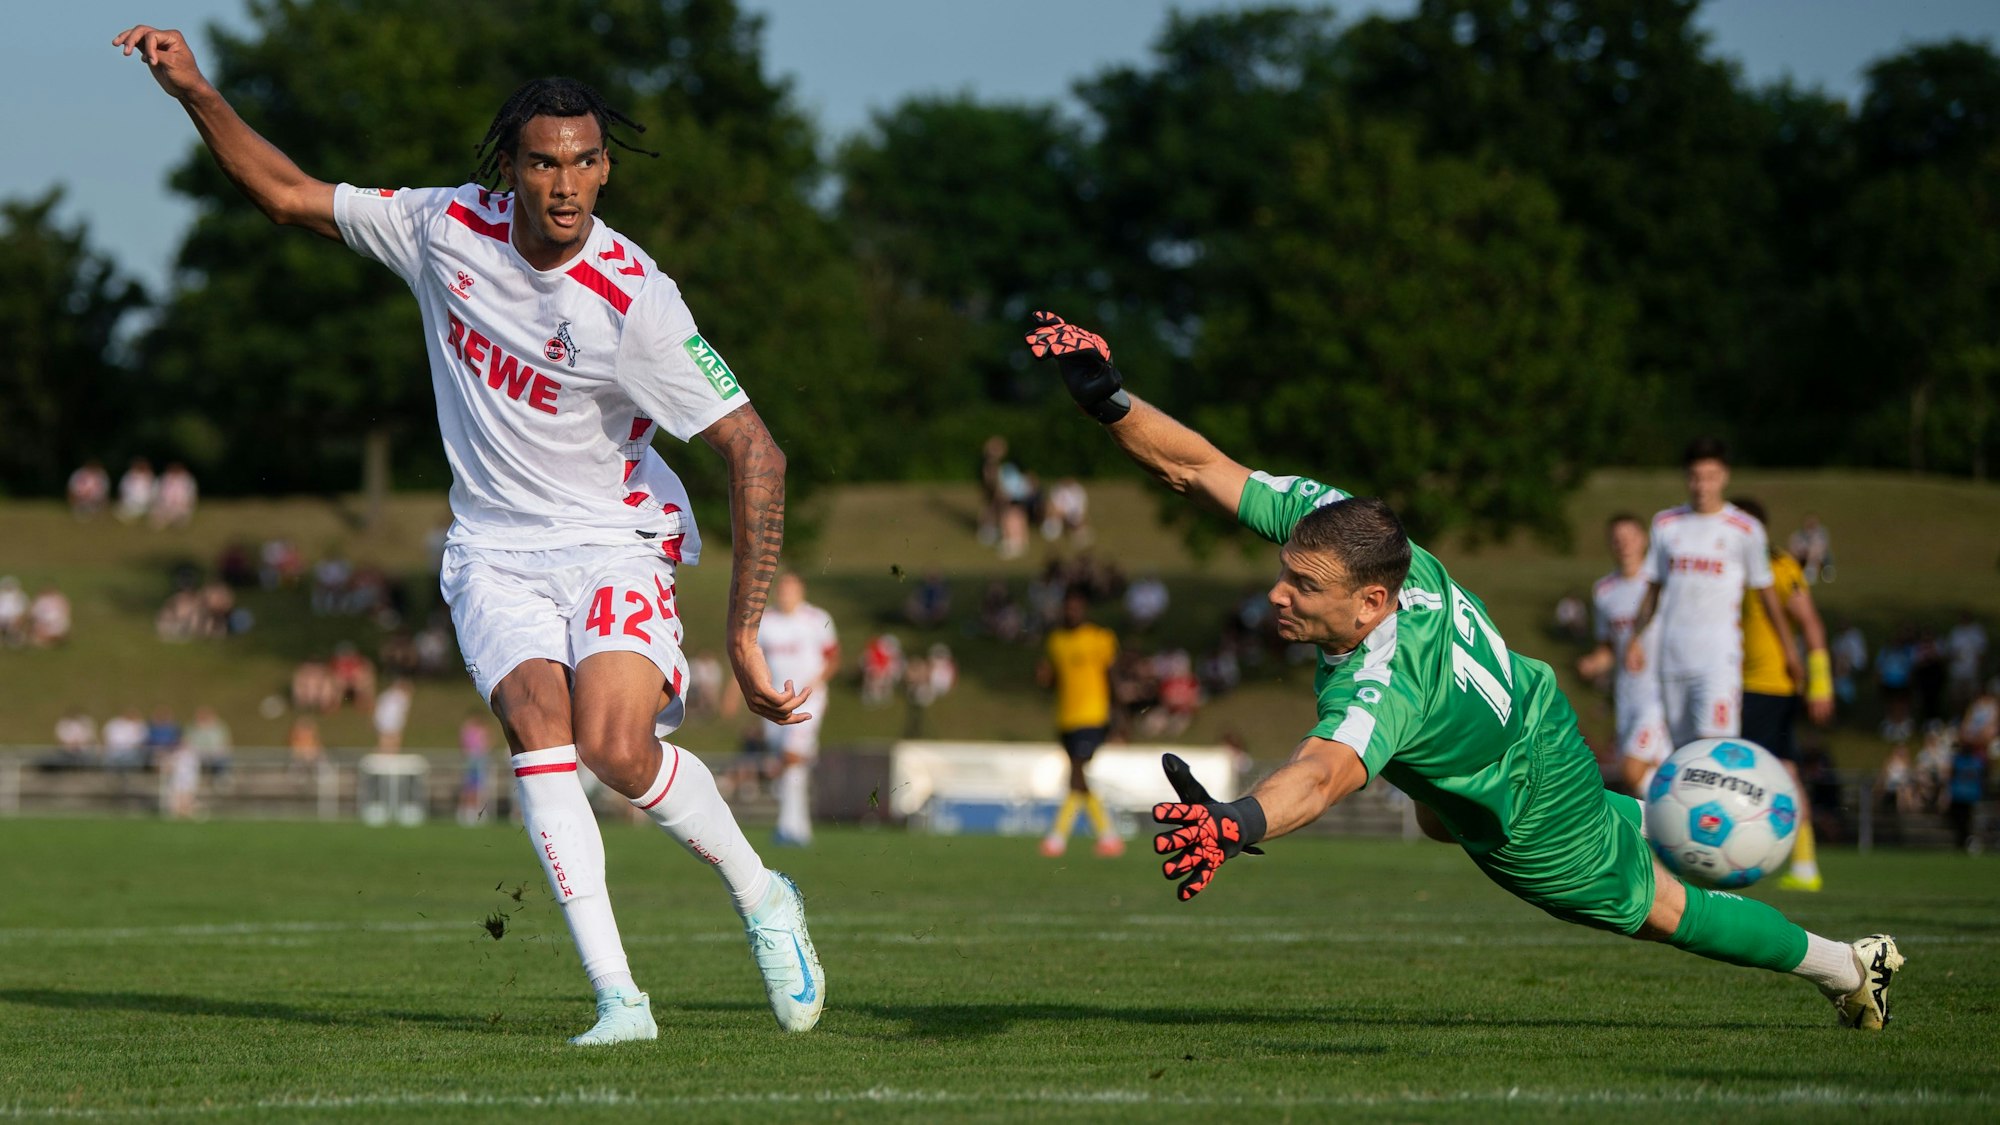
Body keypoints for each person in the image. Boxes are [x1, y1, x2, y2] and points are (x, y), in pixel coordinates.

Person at [118, 25, 822, 1044]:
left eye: (585, 161)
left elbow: (756, 453)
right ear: (510, 168)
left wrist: (745, 632)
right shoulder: (443, 227)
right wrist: (194, 91)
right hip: (491, 548)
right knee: (541, 736)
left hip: (614, 538)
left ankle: (763, 897)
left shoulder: (638, 300)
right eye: (544, 161)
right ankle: (620, 1002)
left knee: (619, 750)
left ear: (606, 166)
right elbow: (285, 193)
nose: (566, 184)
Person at [1025, 309, 1902, 1029]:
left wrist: (1235, 820)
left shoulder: (1383, 680)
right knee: (1445, 816)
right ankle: (1646, 814)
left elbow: (1324, 771)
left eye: (1303, 585)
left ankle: (1846, 966)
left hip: (1521, 804)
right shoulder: (1346, 526)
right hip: (1527, 706)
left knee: (1658, 911)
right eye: (1286, 569)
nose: (1278, 594)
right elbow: (1200, 466)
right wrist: (1110, 399)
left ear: (1371, 604)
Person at [1625, 439, 1799, 749]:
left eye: (1710, 476)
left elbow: (1767, 595)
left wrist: (1789, 649)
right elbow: (1653, 590)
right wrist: (1634, 638)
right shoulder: (1666, 524)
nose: (1701, 485)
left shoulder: (1744, 529)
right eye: (1695, 476)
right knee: (1683, 755)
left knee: (1714, 751)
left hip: (1718, 659)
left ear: (1724, 477)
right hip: (1673, 657)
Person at [1730, 497, 1836, 893]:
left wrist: (1821, 683)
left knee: (1776, 771)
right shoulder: (1727, 568)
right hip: (1735, 685)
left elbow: (1811, 624)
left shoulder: (1778, 567)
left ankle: (1803, 863)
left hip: (1768, 686)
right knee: (1778, 770)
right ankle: (1798, 862)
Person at [1576, 514, 1671, 797]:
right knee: (1653, 775)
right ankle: (1672, 831)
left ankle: (1678, 820)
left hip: (1659, 695)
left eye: (1630, 537)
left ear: (1643, 540)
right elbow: (1608, 648)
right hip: (1627, 697)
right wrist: (1594, 662)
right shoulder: (1605, 590)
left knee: (1633, 770)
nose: (1624, 544)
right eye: (1617, 539)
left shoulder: (1659, 585)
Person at [1037, 588, 1124, 858]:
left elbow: (1112, 677)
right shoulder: (1056, 641)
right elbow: (1054, 680)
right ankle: (1107, 837)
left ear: (1084, 610)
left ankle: (1058, 838)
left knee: (1077, 773)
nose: (1071, 612)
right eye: (1068, 608)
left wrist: (1119, 715)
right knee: (1078, 778)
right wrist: (1045, 679)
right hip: (1066, 717)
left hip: (1092, 715)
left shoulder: (1100, 638)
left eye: (1076, 608)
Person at [755, 573, 840, 846]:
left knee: (790, 757)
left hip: (808, 699)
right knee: (794, 768)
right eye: (782, 589)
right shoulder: (766, 621)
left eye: (791, 589)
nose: (786, 594)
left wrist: (816, 683)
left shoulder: (816, 619)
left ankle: (786, 826)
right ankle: (798, 830)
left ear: (801, 591)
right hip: (774, 700)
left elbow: (833, 657)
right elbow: (753, 659)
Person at [373, 678, 414, 752]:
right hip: (389, 722)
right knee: (390, 741)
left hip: (383, 721)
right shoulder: (401, 697)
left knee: (387, 740)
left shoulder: (386, 695)